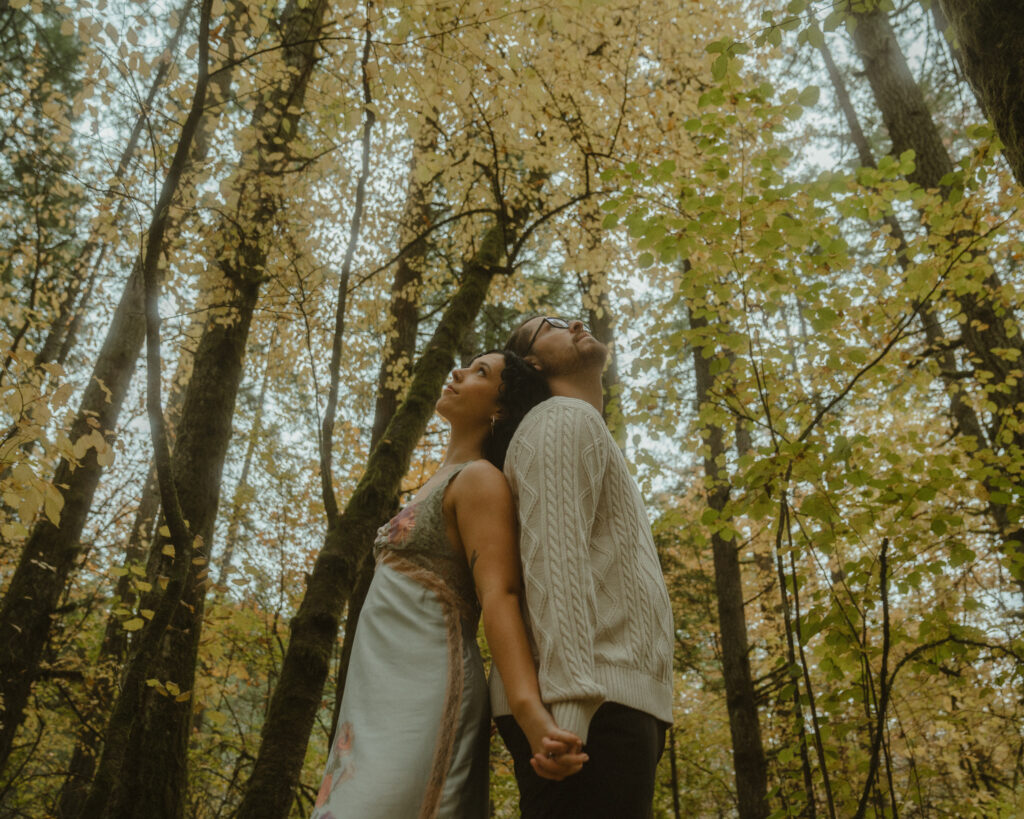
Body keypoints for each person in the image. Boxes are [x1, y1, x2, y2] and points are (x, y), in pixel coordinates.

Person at [312, 349, 587, 819]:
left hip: (426, 695)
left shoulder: (480, 480)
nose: (458, 372)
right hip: (372, 700)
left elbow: (500, 595)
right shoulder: (431, 484)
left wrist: (531, 715)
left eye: (481, 372)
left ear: (500, 408)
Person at [492, 316, 675, 819]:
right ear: (531, 362)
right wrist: (569, 715)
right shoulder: (560, 420)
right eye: (547, 325)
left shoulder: (580, 426)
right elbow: (556, 564)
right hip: (583, 711)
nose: (572, 319)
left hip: (607, 706)